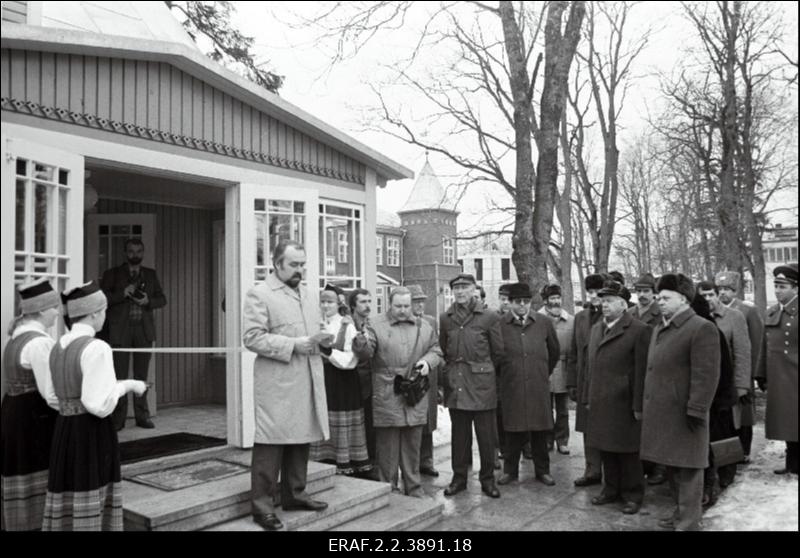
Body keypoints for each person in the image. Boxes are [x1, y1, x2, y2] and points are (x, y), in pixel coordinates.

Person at [41, 281, 147, 531]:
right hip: (90, 433)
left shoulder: (58, 345)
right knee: (91, 493)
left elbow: (51, 396)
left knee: (67, 492)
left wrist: (72, 406)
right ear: (94, 313)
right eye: (104, 312)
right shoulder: (97, 347)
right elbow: (99, 405)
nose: (104, 318)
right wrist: (129, 385)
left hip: (64, 430)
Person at [242, 240, 329, 532]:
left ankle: (295, 494)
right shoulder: (260, 294)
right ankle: (262, 508)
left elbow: (311, 331)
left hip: (305, 376)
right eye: (294, 264)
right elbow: (252, 337)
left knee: (300, 438)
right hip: (276, 382)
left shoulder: (306, 293)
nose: (300, 270)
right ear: (276, 263)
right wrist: (294, 344)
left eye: (303, 264)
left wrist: (322, 339)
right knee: (270, 443)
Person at [640, 273, 720, 531]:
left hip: (686, 414)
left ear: (684, 299)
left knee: (689, 471)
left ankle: (688, 523)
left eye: (665, 297)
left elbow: (706, 375)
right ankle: (679, 515)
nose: (659, 301)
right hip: (664, 413)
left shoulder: (701, 327)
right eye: (658, 296)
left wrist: (697, 409)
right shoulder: (660, 328)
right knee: (673, 467)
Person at [365, 287, 443, 497]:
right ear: (390, 304)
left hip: (414, 392)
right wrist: (360, 342)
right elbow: (366, 352)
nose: (402, 310)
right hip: (387, 390)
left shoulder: (424, 325)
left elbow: (436, 350)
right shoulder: (374, 324)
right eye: (398, 306)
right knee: (387, 448)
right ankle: (388, 489)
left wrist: (427, 363)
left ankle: (414, 487)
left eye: (406, 306)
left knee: (412, 445)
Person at [585, 280, 651, 515]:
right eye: (602, 301)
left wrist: (638, 405)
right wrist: (588, 396)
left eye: (610, 301)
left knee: (629, 451)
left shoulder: (639, 330)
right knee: (606, 448)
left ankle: (633, 494)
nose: (604, 305)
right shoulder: (596, 329)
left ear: (623, 305)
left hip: (625, 402)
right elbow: (589, 366)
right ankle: (610, 489)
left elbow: (642, 371)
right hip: (601, 399)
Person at [1, 279, 61, 531]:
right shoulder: (40, 343)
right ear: (41, 310)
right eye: (54, 307)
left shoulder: (14, 339)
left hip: (13, 412)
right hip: (34, 418)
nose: (57, 312)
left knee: (18, 468)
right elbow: (51, 394)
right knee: (36, 469)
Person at [440, 273, 504, 498]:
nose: (459, 291)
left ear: (474, 289)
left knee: (486, 438)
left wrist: (482, 372)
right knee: (459, 437)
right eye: (456, 288)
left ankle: (488, 480)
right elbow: (444, 350)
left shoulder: (489, 317)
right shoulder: (446, 318)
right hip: (456, 385)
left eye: (464, 287)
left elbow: (498, 353)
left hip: (482, 387)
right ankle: (459, 480)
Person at [496, 283, 559, 487]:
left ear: (531, 302)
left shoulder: (543, 323)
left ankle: (543, 471)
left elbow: (554, 352)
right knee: (512, 431)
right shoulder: (500, 325)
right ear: (510, 303)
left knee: (540, 430)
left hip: (537, 384)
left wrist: (541, 372)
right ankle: (510, 471)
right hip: (511, 384)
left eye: (526, 301)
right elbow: (495, 356)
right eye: (517, 302)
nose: (522, 306)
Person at [100, 238, 166, 431]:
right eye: (131, 251)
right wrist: (123, 293)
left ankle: (142, 416)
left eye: (138, 251)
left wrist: (148, 301)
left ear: (143, 253)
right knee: (119, 375)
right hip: (120, 330)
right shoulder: (112, 274)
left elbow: (162, 299)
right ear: (125, 253)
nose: (135, 255)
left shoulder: (150, 275)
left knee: (141, 375)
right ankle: (118, 418)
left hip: (143, 330)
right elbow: (102, 299)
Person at [309, 287, 370, 476]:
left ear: (339, 304)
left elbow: (352, 359)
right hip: (321, 379)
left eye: (330, 302)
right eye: (323, 301)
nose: (326, 305)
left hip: (342, 381)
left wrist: (328, 351)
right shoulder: (315, 324)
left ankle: (345, 460)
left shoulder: (346, 326)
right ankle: (322, 458)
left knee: (340, 420)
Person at [697, 280, 750, 488]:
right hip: (708, 386)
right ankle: (710, 472)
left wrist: (741, 386)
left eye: (711, 294)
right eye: (704, 295)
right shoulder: (700, 319)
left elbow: (742, 353)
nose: (708, 299)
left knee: (726, 431)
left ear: (718, 295)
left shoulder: (733, 317)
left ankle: (728, 472)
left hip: (727, 385)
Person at [689, 293, 737, 509]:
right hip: (717, 398)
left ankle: (711, 487)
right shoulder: (705, 328)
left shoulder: (706, 331)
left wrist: (718, 399)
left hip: (716, 399)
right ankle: (717, 480)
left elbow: (720, 370)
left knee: (712, 445)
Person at [715, 270, 765, 463]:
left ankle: (744, 450)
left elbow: (756, 342)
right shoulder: (714, 310)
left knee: (743, 413)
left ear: (735, 291)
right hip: (724, 373)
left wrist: (753, 373)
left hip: (743, 370)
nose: (723, 293)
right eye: (720, 289)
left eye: (727, 289)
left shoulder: (747, 310)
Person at [567, 273, 606, 487]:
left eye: (598, 292)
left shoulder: (611, 315)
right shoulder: (581, 317)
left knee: (606, 427)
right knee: (587, 427)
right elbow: (574, 351)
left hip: (604, 382)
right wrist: (572, 382)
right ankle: (591, 469)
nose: (594, 296)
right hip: (584, 381)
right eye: (590, 292)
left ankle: (610, 472)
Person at [758, 263, 798, 475]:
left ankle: (796, 463)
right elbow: (765, 347)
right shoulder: (772, 312)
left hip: (795, 377)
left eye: (783, 286)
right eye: (776, 286)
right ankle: (792, 463)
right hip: (778, 377)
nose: (777, 290)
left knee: (795, 419)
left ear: (796, 288)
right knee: (786, 421)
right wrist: (760, 373)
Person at [630, 272, 667, 485]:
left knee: (657, 422)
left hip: (654, 370)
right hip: (634, 371)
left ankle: (659, 467)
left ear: (654, 293)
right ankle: (642, 464)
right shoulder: (630, 313)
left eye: (646, 291)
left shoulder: (659, 313)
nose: (642, 295)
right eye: (639, 291)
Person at [408, 284, 441, 477]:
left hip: (429, 375)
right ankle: (411, 462)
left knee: (428, 420)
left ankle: (426, 460)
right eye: (416, 301)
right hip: (410, 376)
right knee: (413, 421)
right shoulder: (402, 322)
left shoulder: (431, 321)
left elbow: (437, 348)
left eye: (422, 301)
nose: (420, 305)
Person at [538, 283, 573, 455]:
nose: (556, 302)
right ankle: (547, 440)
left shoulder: (570, 320)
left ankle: (562, 440)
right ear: (545, 301)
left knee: (562, 409)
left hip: (564, 368)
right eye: (552, 298)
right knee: (545, 408)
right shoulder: (537, 318)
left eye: (558, 298)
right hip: (543, 369)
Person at [348, 288, 378, 475]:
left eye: (369, 301)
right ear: (353, 305)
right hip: (349, 380)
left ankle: (368, 464)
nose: (367, 305)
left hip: (368, 382)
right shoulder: (348, 324)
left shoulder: (370, 326)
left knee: (368, 424)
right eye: (363, 302)